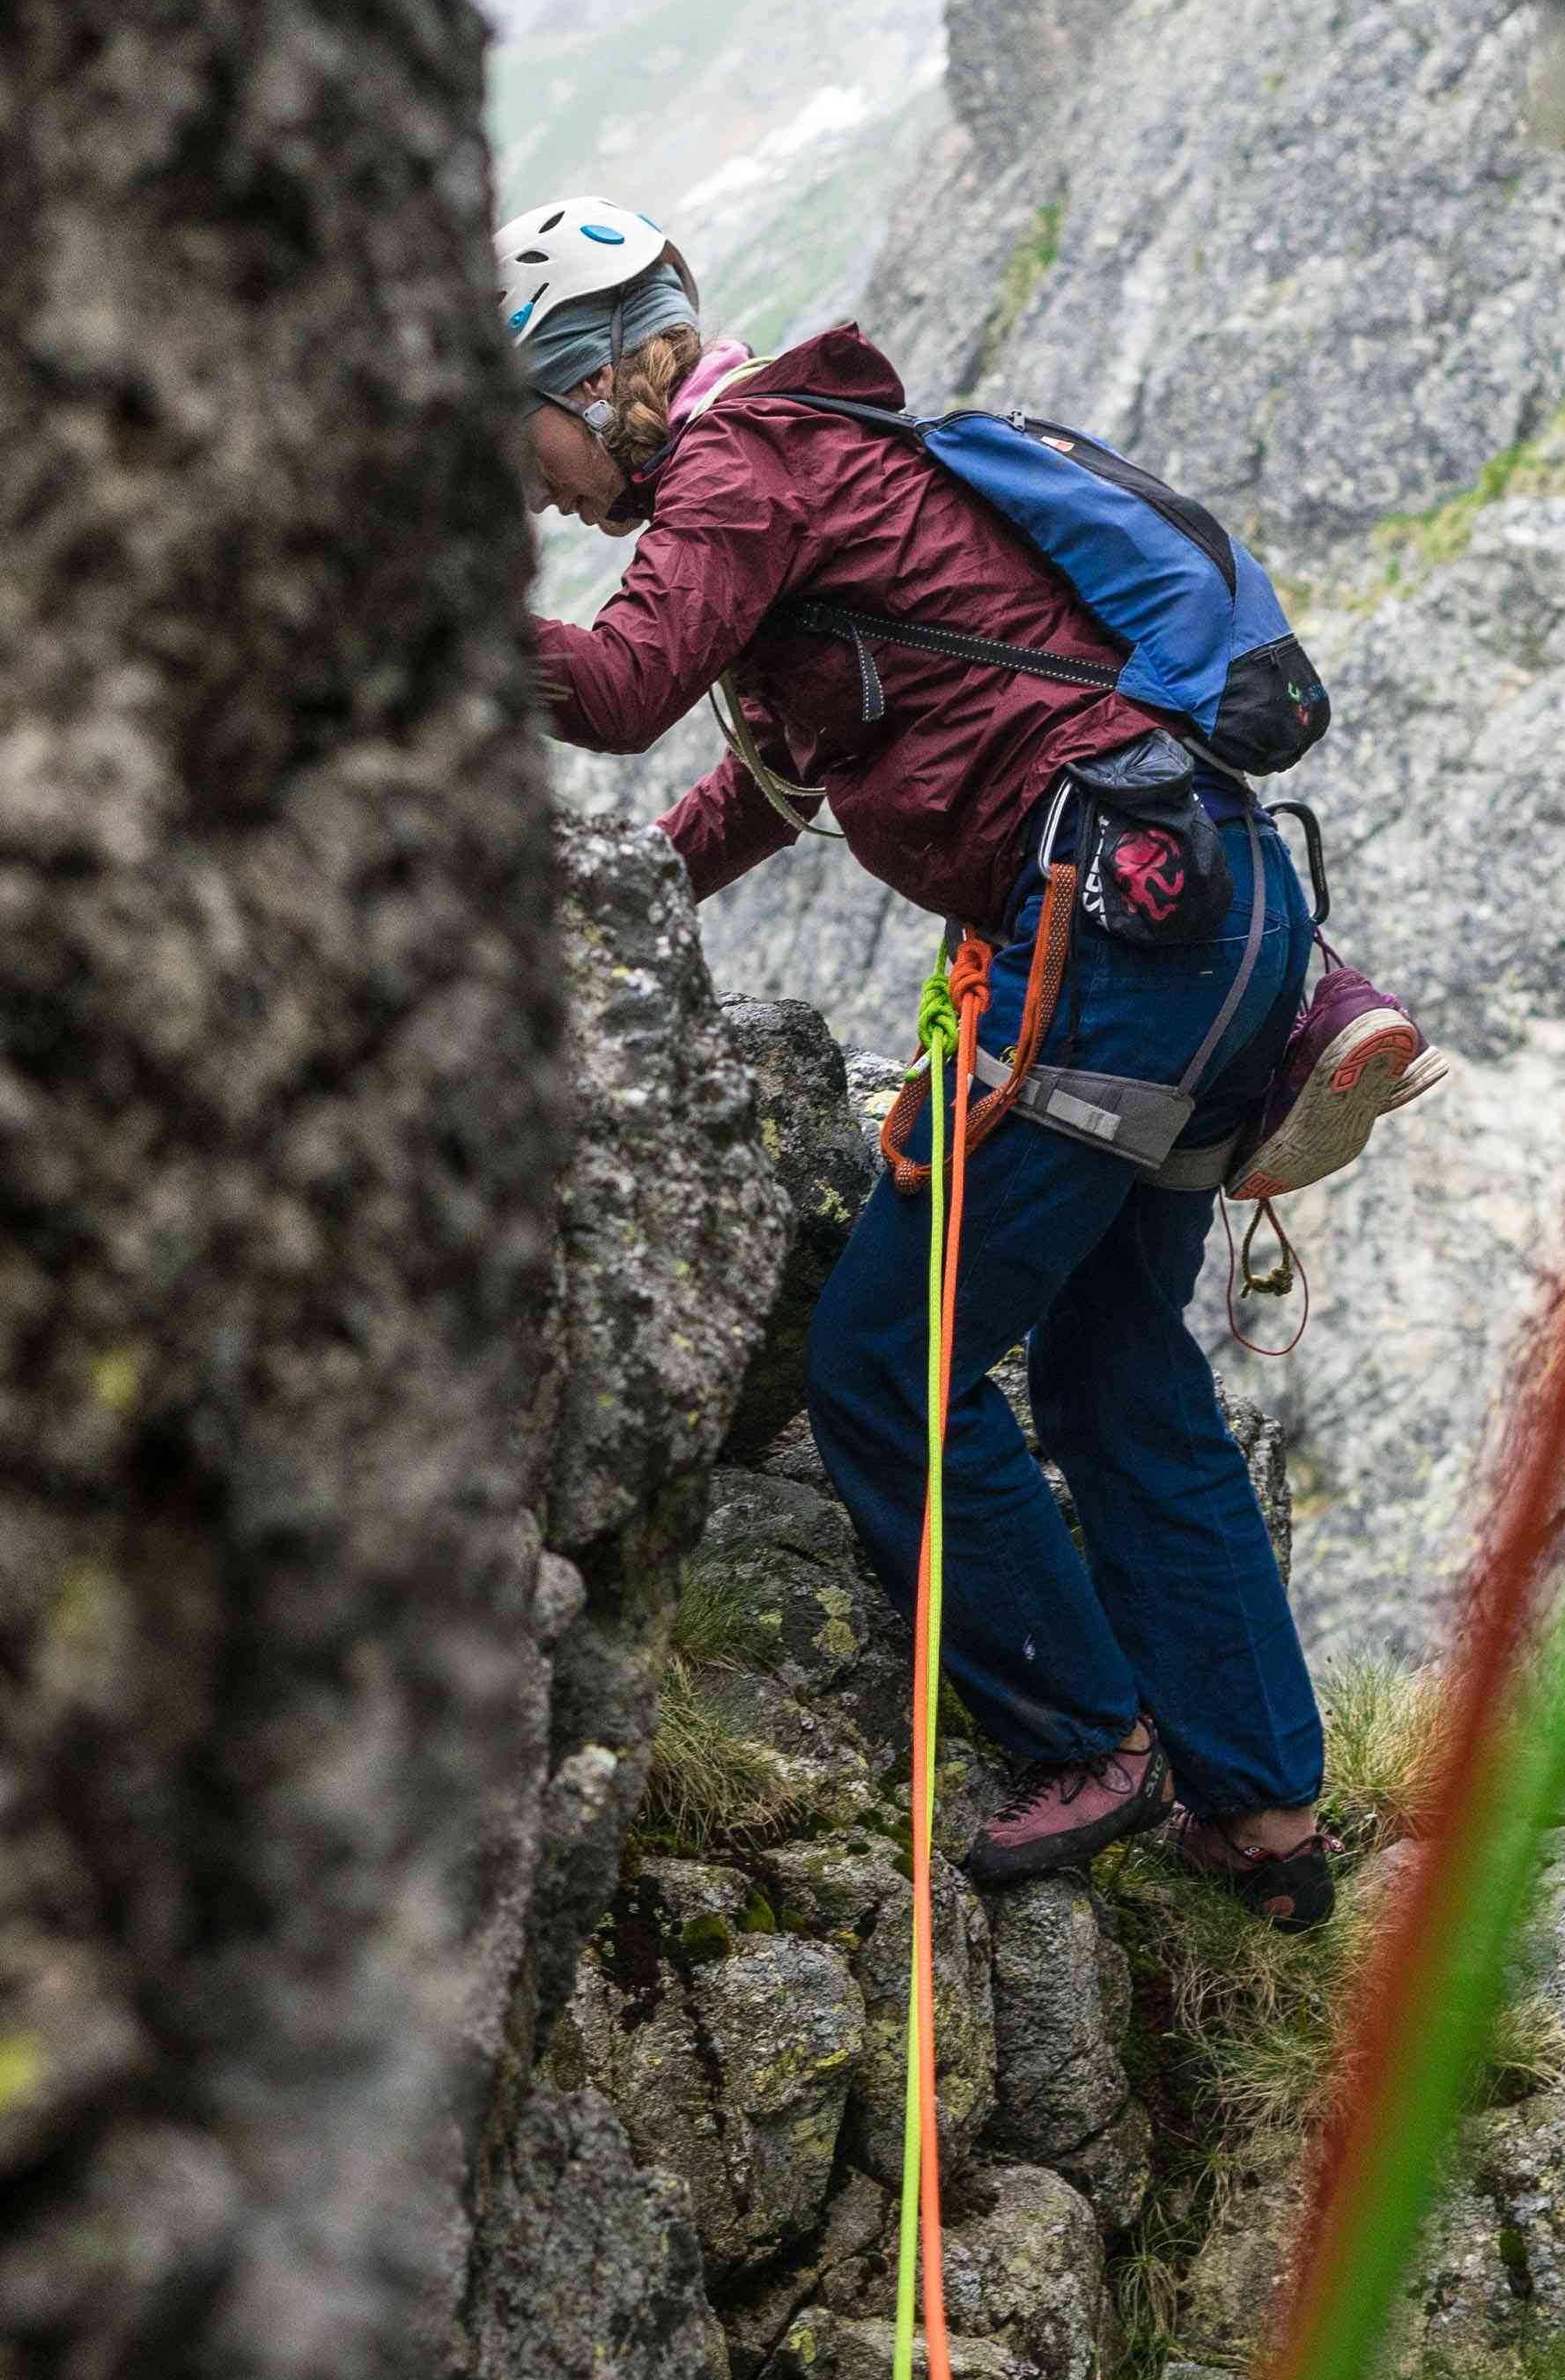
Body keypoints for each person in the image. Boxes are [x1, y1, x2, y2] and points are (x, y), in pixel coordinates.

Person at [499, 196, 1447, 1926]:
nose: (539, 489)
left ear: (594, 380)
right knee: (1109, 1360)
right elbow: (764, 788)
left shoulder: (742, 468)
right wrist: (624, 890)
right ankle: (1268, 1817)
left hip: (1102, 927)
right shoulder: (806, 458)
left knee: (884, 1357)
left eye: (529, 440)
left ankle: (1090, 1738)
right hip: (1208, 908)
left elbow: (627, 684)